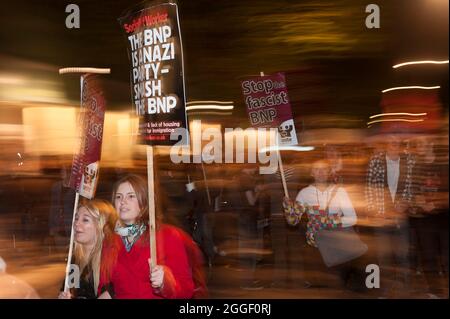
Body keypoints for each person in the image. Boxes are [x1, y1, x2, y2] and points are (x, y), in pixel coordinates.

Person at [99, 174, 195, 299]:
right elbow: (103, 282)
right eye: (118, 197)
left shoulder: (167, 235)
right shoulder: (110, 240)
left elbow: (186, 289)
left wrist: (165, 281)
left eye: (131, 196)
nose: (123, 201)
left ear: (144, 202)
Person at [283, 158, 359, 289]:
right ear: (311, 173)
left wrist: (328, 221)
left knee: (337, 285)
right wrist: (288, 209)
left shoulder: (340, 192)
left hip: (337, 246)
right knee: (321, 286)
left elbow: (353, 218)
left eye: (324, 169)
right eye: (317, 169)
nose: (321, 172)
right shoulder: (304, 193)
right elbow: (293, 221)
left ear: (329, 172)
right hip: (315, 246)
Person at [365, 134, 415, 296]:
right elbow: (369, 187)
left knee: (403, 255)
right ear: (386, 144)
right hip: (381, 217)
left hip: (400, 218)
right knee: (383, 256)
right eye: (391, 142)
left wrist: (406, 203)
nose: (394, 145)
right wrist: (374, 211)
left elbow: (412, 187)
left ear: (401, 145)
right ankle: (383, 290)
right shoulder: (376, 161)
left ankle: (404, 289)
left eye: (397, 143)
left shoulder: (409, 162)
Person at [411, 135, 449, 298]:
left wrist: (437, 203)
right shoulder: (416, 167)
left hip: (444, 217)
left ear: (431, 144)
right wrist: (421, 202)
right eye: (418, 144)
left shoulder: (443, 165)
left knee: (447, 256)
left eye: (422, 143)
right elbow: (413, 191)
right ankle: (434, 290)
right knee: (428, 255)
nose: (419, 147)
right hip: (424, 219)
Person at [58, 199, 118, 299]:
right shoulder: (75, 259)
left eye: (85, 220)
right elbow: (72, 290)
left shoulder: (113, 259)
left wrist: (111, 293)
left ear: (101, 225)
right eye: (76, 218)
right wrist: (65, 295)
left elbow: (123, 288)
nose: (76, 223)